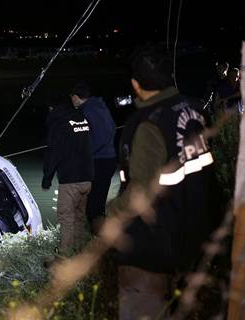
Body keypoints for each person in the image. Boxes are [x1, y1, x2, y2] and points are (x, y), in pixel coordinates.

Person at [108, 45, 220, 319]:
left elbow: (139, 194)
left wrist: (110, 214)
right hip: (192, 239)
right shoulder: (195, 110)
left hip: (151, 249)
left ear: (136, 84)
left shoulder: (148, 124)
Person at [42, 96, 93, 252]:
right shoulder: (82, 118)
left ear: (53, 109)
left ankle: (65, 256)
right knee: (79, 218)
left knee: (66, 219)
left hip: (70, 180)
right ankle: (81, 252)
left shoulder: (59, 124)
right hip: (87, 178)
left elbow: (54, 153)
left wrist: (47, 179)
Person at [70, 81, 117, 234]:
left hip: (100, 162)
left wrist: (85, 153)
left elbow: (101, 137)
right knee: (97, 202)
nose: (72, 101)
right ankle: (99, 236)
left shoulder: (88, 111)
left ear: (76, 97)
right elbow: (112, 128)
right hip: (109, 159)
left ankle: (101, 239)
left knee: (93, 207)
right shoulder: (100, 107)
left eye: (72, 97)